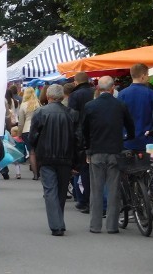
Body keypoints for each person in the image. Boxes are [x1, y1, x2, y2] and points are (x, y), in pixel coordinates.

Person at [82, 76, 135, 234]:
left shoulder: (90, 106)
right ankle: (112, 226)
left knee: (96, 189)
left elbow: (84, 129)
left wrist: (87, 147)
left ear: (98, 89)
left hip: (96, 151)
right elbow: (130, 126)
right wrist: (127, 137)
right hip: (115, 151)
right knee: (113, 190)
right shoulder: (120, 105)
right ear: (113, 89)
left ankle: (95, 225)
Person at [29, 84, 81, 236]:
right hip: (66, 156)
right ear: (63, 96)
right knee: (61, 190)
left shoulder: (40, 112)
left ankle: (56, 224)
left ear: (49, 96)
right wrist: (76, 159)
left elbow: (33, 135)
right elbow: (78, 138)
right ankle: (59, 221)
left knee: (50, 190)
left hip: (46, 157)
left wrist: (35, 148)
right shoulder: (72, 113)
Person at [68, 72, 95, 214]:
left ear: (76, 82)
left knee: (83, 169)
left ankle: (85, 200)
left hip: (81, 136)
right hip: (96, 133)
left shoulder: (75, 95)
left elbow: (73, 117)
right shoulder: (94, 92)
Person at [17, 87, 41, 180]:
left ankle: (35, 174)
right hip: (37, 130)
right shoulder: (38, 104)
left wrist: (19, 133)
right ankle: (40, 171)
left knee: (31, 153)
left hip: (26, 130)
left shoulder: (23, 105)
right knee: (38, 151)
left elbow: (21, 122)